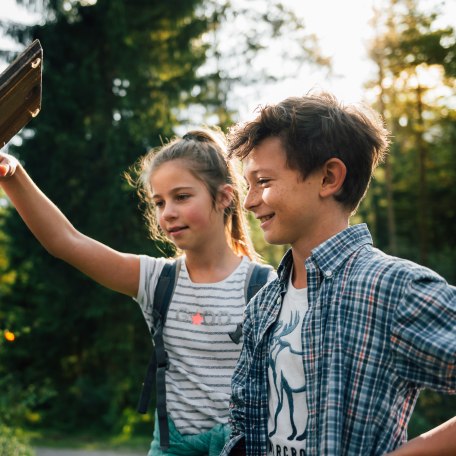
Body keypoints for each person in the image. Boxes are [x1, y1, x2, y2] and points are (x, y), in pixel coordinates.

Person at [0, 129, 275, 456]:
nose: (167, 213)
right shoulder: (156, 280)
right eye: (159, 202)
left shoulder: (264, 285)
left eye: (182, 197)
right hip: (172, 447)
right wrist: (12, 173)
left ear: (224, 196)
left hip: (241, 447)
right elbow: (65, 241)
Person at [220, 92, 456, 455]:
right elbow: (244, 425)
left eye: (263, 181)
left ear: (329, 177)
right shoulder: (262, 305)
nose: (249, 201)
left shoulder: (394, 288)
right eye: (247, 185)